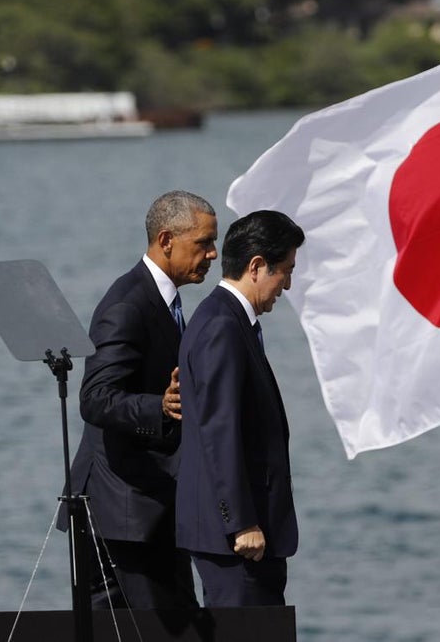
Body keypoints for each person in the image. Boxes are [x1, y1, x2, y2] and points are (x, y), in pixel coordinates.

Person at [67, 190, 217, 610]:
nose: (212, 254)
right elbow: (95, 398)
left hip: (150, 509)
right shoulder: (128, 304)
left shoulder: (166, 299)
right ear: (166, 240)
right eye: (203, 243)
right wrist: (160, 407)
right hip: (125, 515)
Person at [176, 209, 306, 607]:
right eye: (284, 270)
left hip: (241, 535)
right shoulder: (222, 326)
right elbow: (220, 430)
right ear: (256, 266)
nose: (286, 284)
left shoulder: (227, 320)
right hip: (237, 540)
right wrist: (242, 521)